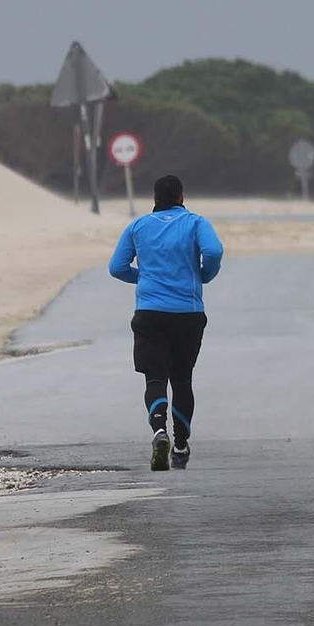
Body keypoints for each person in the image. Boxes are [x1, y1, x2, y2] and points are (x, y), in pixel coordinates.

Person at [108, 175, 223, 471]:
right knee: (182, 379)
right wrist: (203, 275)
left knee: (155, 379)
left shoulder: (138, 226)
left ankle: (159, 432)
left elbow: (117, 267)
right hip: (188, 314)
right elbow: (214, 251)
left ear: (155, 198)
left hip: (150, 314)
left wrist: (144, 277)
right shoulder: (196, 223)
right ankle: (181, 445)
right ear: (182, 196)